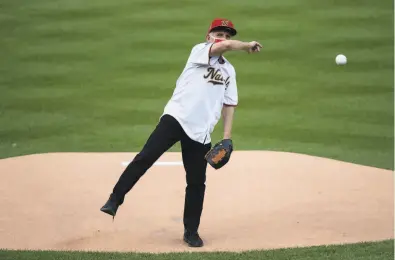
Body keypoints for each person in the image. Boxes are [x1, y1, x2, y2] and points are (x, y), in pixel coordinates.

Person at [100, 18, 262, 247]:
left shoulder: (229, 71)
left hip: (202, 132)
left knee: (196, 182)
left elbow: (229, 104)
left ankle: (191, 232)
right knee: (146, 157)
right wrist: (246, 45)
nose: (223, 38)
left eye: (227, 35)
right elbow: (223, 48)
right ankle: (115, 199)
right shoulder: (200, 51)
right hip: (176, 118)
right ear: (209, 37)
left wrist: (227, 137)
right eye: (219, 34)